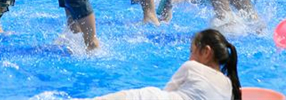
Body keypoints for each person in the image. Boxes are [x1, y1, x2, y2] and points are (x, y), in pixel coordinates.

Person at [93, 29, 239, 100]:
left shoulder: (192, 67)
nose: (190, 57)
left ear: (206, 52)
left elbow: (166, 93)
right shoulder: (229, 85)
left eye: (192, 51)